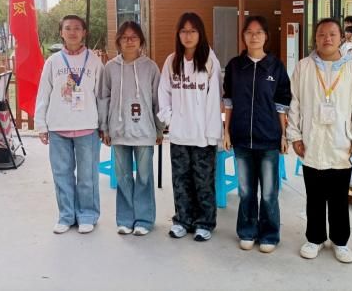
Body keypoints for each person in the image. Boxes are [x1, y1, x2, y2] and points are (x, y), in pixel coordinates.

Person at [287, 18, 352, 264]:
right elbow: (295, 103)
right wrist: (295, 135)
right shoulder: (303, 67)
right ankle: (314, 238)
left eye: (332, 34)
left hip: (341, 143)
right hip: (312, 141)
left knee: (338, 197)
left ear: (341, 38)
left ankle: (340, 241)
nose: (327, 39)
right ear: (315, 38)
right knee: (314, 195)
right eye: (322, 34)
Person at [223, 16, 291, 253]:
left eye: (259, 32)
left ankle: (269, 234)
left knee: (269, 193)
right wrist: (226, 132)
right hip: (242, 138)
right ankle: (247, 231)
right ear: (243, 36)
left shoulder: (275, 66)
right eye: (249, 32)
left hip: (269, 139)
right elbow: (229, 101)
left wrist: (283, 135)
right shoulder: (235, 66)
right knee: (246, 191)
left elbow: (282, 104)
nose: (254, 36)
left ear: (266, 36)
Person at [35, 15, 104, 235]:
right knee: (62, 174)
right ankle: (66, 215)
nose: (72, 32)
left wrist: (103, 125)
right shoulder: (53, 62)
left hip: (87, 127)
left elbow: (102, 96)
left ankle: (87, 215)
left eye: (77, 28)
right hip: (58, 127)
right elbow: (43, 94)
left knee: (87, 176)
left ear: (84, 32)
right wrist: (41, 125)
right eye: (67, 28)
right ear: (61, 33)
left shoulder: (94, 61)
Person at [158, 12, 222, 242]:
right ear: (178, 34)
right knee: (180, 180)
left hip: (203, 135)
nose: (188, 35)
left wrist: (212, 133)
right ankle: (182, 220)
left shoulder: (210, 61)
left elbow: (215, 99)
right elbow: (163, 93)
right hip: (179, 134)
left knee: (204, 181)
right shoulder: (172, 61)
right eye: (184, 31)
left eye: (193, 31)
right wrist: (170, 119)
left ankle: (205, 222)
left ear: (200, 33)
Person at [99, 21, 163, 236]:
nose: (129, 41)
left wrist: (159, 129)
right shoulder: (110, 68)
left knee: (144, 177)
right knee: (123, 178)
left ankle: (144, 220)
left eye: (133, 37)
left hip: (144, 131)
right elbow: (104, 98)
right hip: (118, 131)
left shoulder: (150, 67)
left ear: (141, 41)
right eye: (124, 37)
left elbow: (158, 101)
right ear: (118, 41)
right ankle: (125, 220)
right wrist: (104, 127)